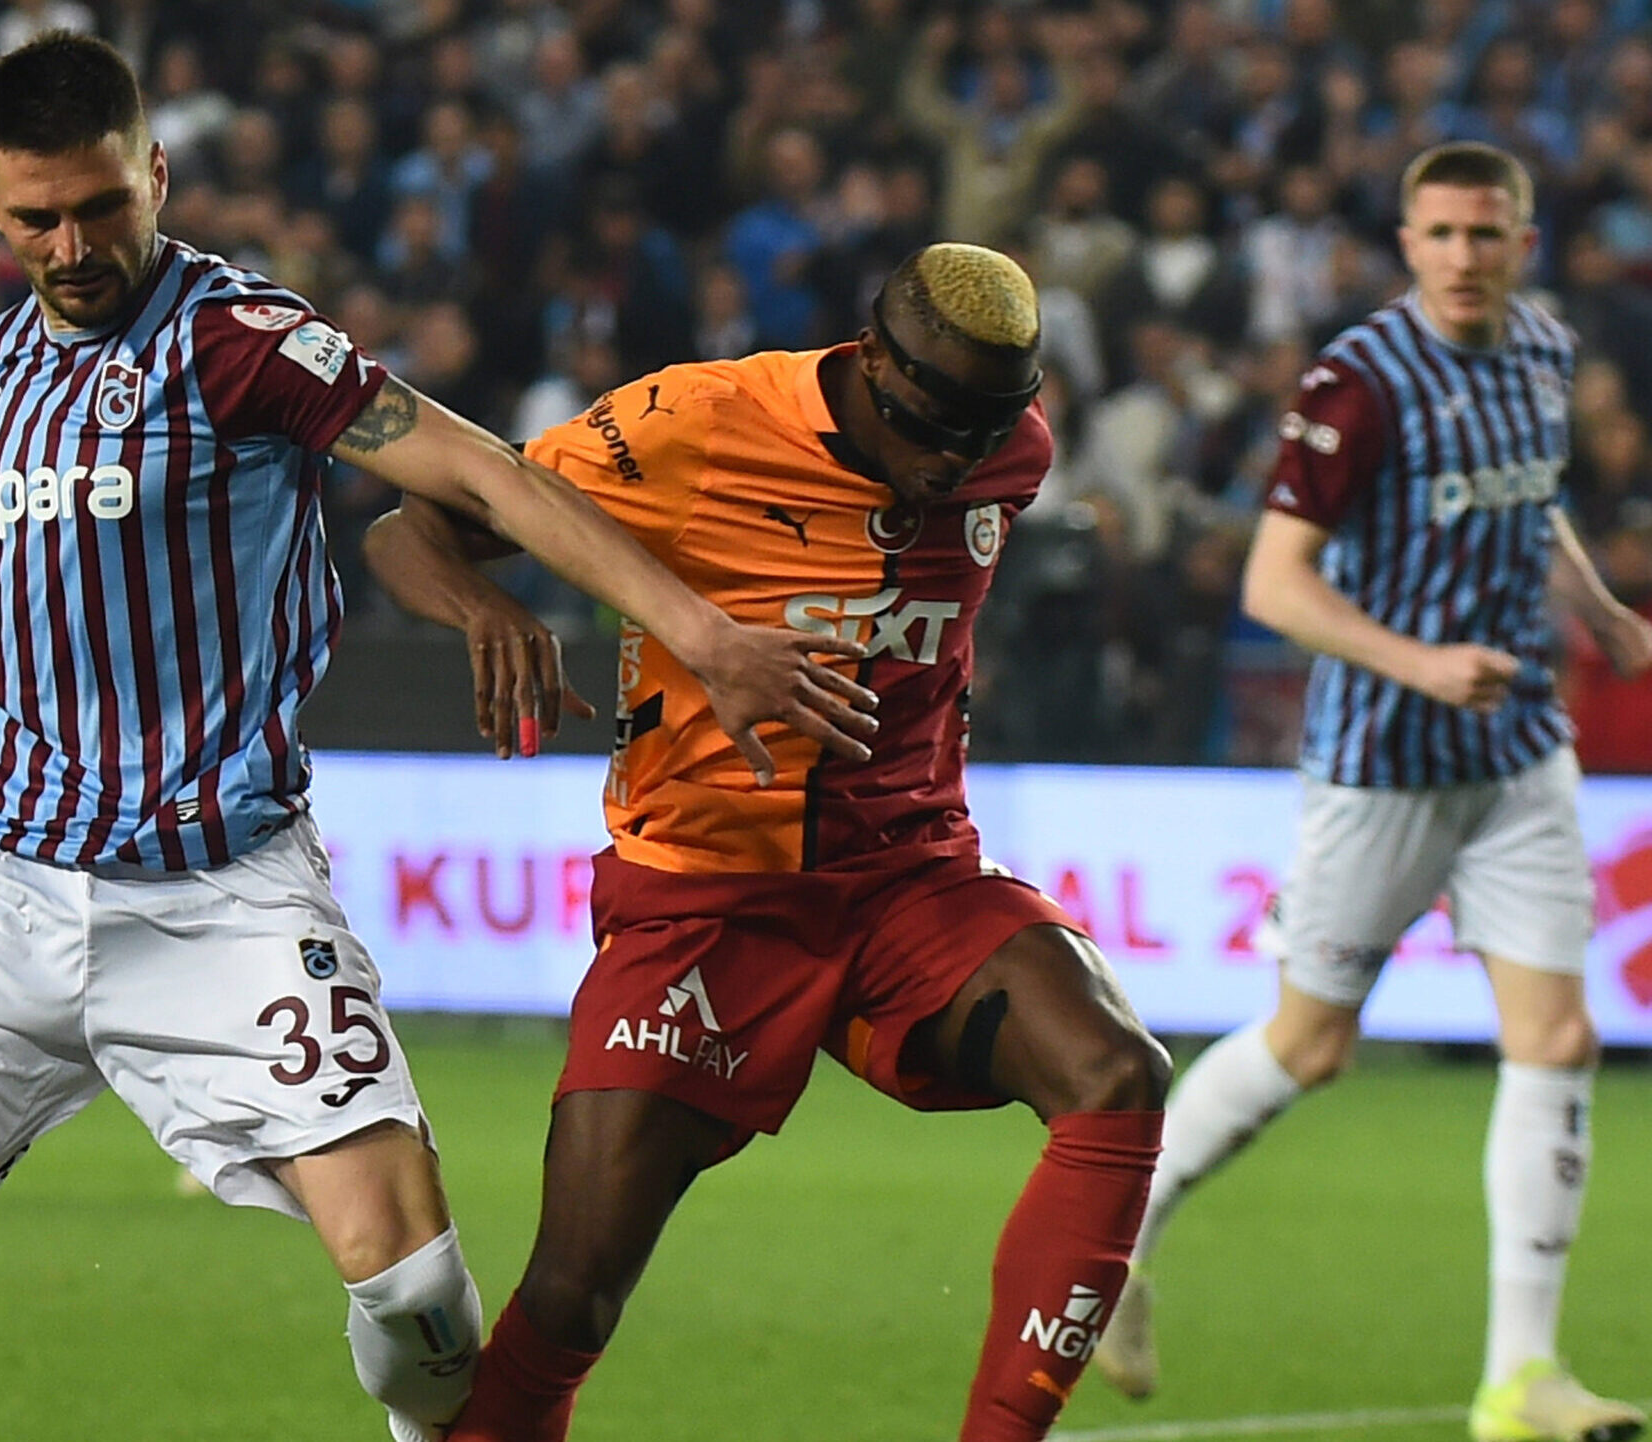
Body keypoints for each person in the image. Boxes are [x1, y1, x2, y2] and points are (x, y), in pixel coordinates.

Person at [0, 34, 874, 1442]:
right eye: (37, 214)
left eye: (103, 205)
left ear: (155, 175)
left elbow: (479, 466)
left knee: (420, 1300)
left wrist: (707, 634)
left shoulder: (240, 343)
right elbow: (47, 656)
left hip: (221, 892)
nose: (74, 243)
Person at [363, 242, 1171, 1442]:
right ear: (872, 358)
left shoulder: (1012, 451)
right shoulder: (688, 423)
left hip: (909, 877)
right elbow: (407, 528)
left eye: (985, 425)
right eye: (930, 420)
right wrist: (489, 608)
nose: (953, 456)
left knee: (1118, 1073)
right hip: (703, 900)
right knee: (574, 1292)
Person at [1091, 143, 1652, 1442]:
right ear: (1408, 242)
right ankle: (1118, 1243)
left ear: (1524, 238)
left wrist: (1597, 603)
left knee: (1559, 1037)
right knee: (1311, 1044)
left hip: (1517, 749)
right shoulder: (1359, 383)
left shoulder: (1545, 353)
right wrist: (1420, 662)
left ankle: (1522, 1379)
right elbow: (1274, 585)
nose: (1466, 254)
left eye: (1489, 231)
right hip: (1386, 762)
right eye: (1443, 232)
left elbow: (1531, 506)